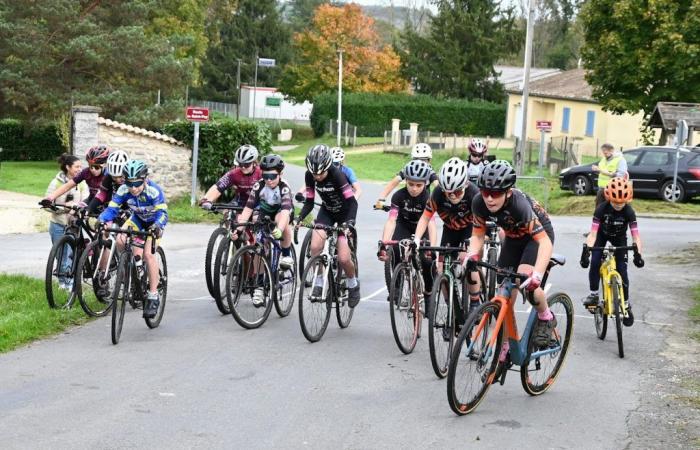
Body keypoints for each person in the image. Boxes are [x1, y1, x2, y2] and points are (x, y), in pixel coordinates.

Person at [467, 160, 556, 348]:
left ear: (508, 192)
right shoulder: (478, 203)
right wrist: (472, 255)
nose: (489, 199)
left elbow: (545, 243)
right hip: (513, 238)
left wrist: (537, 275)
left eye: (496, 194)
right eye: (485, 193)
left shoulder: (518, 205)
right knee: (505, 295)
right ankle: (506, 344)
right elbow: (477, 235)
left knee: (524, 279)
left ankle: (546, 316)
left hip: (538, 237)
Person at [99, 160, 168, 319]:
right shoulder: (123, 190)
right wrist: (103, 220)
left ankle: (153, 295)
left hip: (154, 223)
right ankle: (129, 267)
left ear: (144, 179)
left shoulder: (154, 191)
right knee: (120, 240)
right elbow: (112, 209)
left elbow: (163, 214)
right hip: (137, 219)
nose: (134, 188)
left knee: (148, 254)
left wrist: (157, 226)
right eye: (130, 184)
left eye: (137, 184)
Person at [414, 157, 482, 317]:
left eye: (457, 192)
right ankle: (452, 310)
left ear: (465, 185)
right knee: (441, 269)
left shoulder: (474, 194)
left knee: (468, 260)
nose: (452, 196)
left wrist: (473, 249)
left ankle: (474, 301)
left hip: (471, 229)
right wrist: (416, 240)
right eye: (448, 192)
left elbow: (482, 226)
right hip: (450, 230)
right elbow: (425, 218)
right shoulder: (438, 194)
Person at [297, 144, 361, 307]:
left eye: (321, 173)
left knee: (344, 257)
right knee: (315, 246)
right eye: (314, 174)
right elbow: (310, 202)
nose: (317, 177)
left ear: (327, 167)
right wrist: (299, 217)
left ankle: (353, 284)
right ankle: (319, 281)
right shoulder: (309, 176)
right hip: (327, 211)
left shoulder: (337, 175)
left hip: (344, 213)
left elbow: (352, 202)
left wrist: (349, 223)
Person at [231, 154, 295, 306]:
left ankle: (286, 254)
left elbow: (286, 212)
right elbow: (248, 209)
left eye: (273, 176)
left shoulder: (284, 187)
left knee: (282, 221)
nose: (269, 179)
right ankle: (259, 285)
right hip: (265, 211)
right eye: (266, 176)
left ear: (280, 174)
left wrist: (279, 229)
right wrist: (239, 230)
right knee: (258, 244)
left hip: (281, 212)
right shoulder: (258, 186)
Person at [581, 177, 644, 326]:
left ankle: (626, 304)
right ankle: (594, 294)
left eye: (621, 203)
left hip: (620, 238)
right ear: (609, 198)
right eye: (615, 202)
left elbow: (636, 236)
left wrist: (638, 254)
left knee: (622, 270)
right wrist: (586, 252)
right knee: (596, 261)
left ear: (627, 200)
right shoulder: (601, 209)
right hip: (602, 235)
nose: (618, 205)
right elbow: (593, 234)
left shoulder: (629, 212)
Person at [377, 159, 435, 297]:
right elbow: (391, 220)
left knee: (427, 260)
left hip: (422, 228)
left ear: (425, 184)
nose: (414, 188)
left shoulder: (428, 198)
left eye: (419, 185)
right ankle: (396, 288)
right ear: (406, 181)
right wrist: (384, 243)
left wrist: (432, 248)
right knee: (396, 250)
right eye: (410, 184)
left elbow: (431, 224)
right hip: (404, 225)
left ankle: (428, 292)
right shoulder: (398, 196)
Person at [44, 154, 90, 290]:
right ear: (67, 167)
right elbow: (47, 204)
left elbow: (86, 199)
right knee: (60, 255)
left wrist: (76, 207)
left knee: (70, 253)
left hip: (74, 225)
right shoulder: (56, 183)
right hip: (58, 224)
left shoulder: (81, 182)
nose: (79, 169)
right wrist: (63, 209)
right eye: (77, 167)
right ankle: (63, 281)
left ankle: (69, 281)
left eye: (81, 167)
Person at [375, 142, 438, 209]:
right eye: (416, 159)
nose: (419, 162)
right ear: (412, 159)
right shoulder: (409, 169)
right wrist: (381, 200)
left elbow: (438, 186)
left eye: (424, 160)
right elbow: (393, 183)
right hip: (406, 201)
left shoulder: (430, 171)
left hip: (423, 202)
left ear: (429, 160)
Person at [199, 144, 262, 210]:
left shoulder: (260, 173)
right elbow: (218, 187)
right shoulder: (234, 173)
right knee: (227, 214)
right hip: (240, 202)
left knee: (256, 217)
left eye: (246, 164)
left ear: (253, 162)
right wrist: (206, 199)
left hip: (258, 203)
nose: (243, 167)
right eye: (240, 164)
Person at [44, 145, 110, 203]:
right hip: (92, 201)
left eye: (96, 167)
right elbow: (67, 186)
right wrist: (50, 198)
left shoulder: (109, 175)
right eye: (90, 166)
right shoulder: (86, 172)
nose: (93, 170)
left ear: (104, 165)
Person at [88, 149, 130, 215]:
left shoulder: (132, 179)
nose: (118, 180)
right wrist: (89, 210)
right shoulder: (108, 177)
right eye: (114, 177)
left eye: (121, 176)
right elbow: (100, 195)